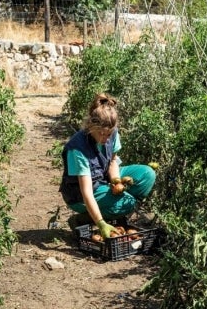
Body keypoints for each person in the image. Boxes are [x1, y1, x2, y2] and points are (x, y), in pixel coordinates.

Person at [59, 93, 155, 238]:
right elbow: (87, 192)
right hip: (79, 194)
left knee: (147, 174)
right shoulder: (77, 148)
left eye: (108, 134)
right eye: (101, 134)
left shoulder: (113, 132)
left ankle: (115, 208)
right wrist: (100, 223)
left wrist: (116, 181)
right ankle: (83, 220)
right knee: (126, 203)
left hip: (103, 177)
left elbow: (112, 161)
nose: (105, 138)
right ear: (91, 126)